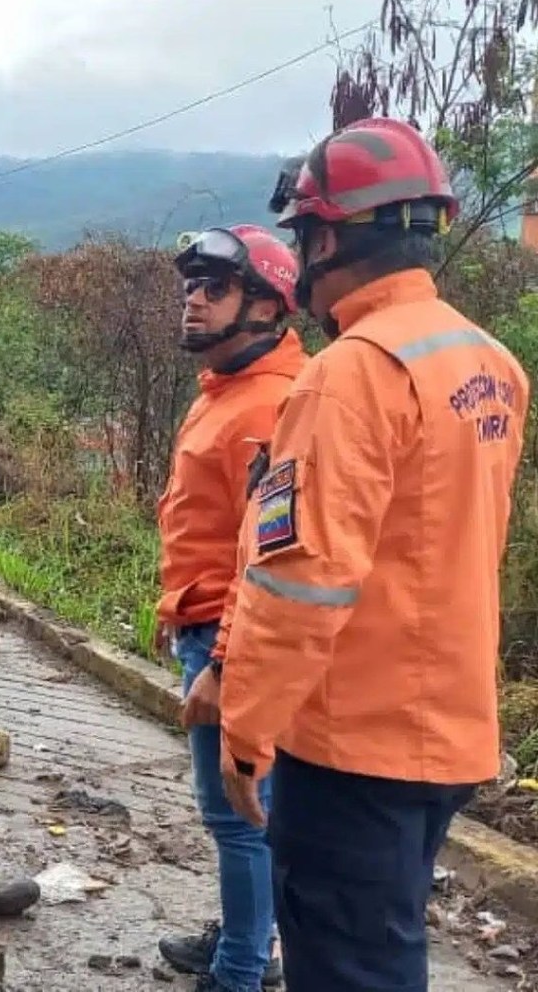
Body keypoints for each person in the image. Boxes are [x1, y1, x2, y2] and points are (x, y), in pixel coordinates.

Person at [216, 117, 530, 992]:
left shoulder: (350, 373)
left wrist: (246, 729)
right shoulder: (488, 362)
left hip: (355, 741)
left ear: (323, 238)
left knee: (351, 964)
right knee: (383, 943)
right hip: (451, 731)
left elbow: (303, 578)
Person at [155, 224, 305, 992]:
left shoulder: (270, 407)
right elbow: (201, 521)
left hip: (230, 635)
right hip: (202, 619)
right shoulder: (224, 391)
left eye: (215, 289)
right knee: (239, 812)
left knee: (240, 815)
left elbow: (269, 553)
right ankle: (245, 941)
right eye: (190, 288)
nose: (194, 301)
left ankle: (243, 969)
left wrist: (220, 660)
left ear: (268, 306)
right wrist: (174, 611)